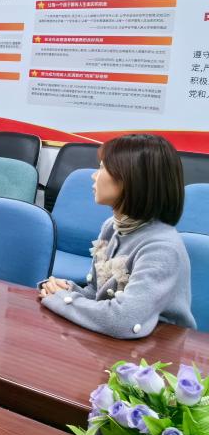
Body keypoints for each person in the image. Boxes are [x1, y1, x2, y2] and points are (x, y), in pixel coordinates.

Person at [39, 134, 194, 339]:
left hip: (157, 348)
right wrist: (66, 289)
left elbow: (124, 320)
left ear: (131, 179)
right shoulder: (111, 227)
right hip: (120, 342)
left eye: (102, 167)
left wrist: (61, 300)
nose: (94, 176)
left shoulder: (162, 248)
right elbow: (98, 293)